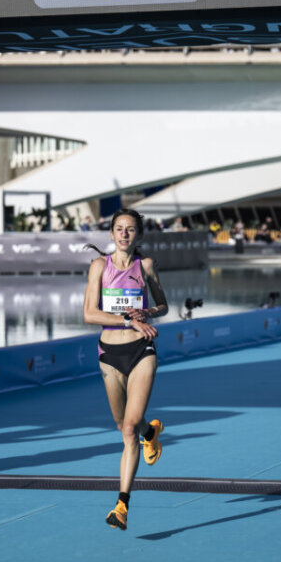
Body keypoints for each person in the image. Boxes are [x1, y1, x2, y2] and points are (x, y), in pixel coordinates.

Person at [82, 208, 169, 531]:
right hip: (109, 353)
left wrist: (146, 311)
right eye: (119, 229)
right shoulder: (98, 267)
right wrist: (126, 319)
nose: (124, 234)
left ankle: (121, 506)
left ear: (138, 235)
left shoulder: (144, 266)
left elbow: (164, 305)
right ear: (111, 234)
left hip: (141, 349)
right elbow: (90, 314)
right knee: (124, 426)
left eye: (130, 230)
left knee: (128, 428)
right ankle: (152, 432)